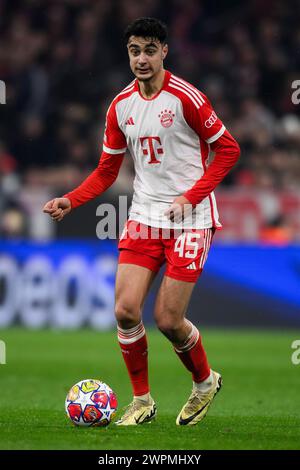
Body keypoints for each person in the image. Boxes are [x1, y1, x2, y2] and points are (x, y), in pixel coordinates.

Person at [43, 17, 240, 426]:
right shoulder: (121, 106)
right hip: (145, 216)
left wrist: (191, 196)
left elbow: (228, 150)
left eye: (150, 50)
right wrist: (70, 200)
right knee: (126, 311)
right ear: (128, 54)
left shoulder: (186, 98)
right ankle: (142, 402)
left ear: (164, 51)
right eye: (135, 51)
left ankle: (204, 382)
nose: (142, 58)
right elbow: (105, 172)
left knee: (168, 320)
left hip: (192, 218)